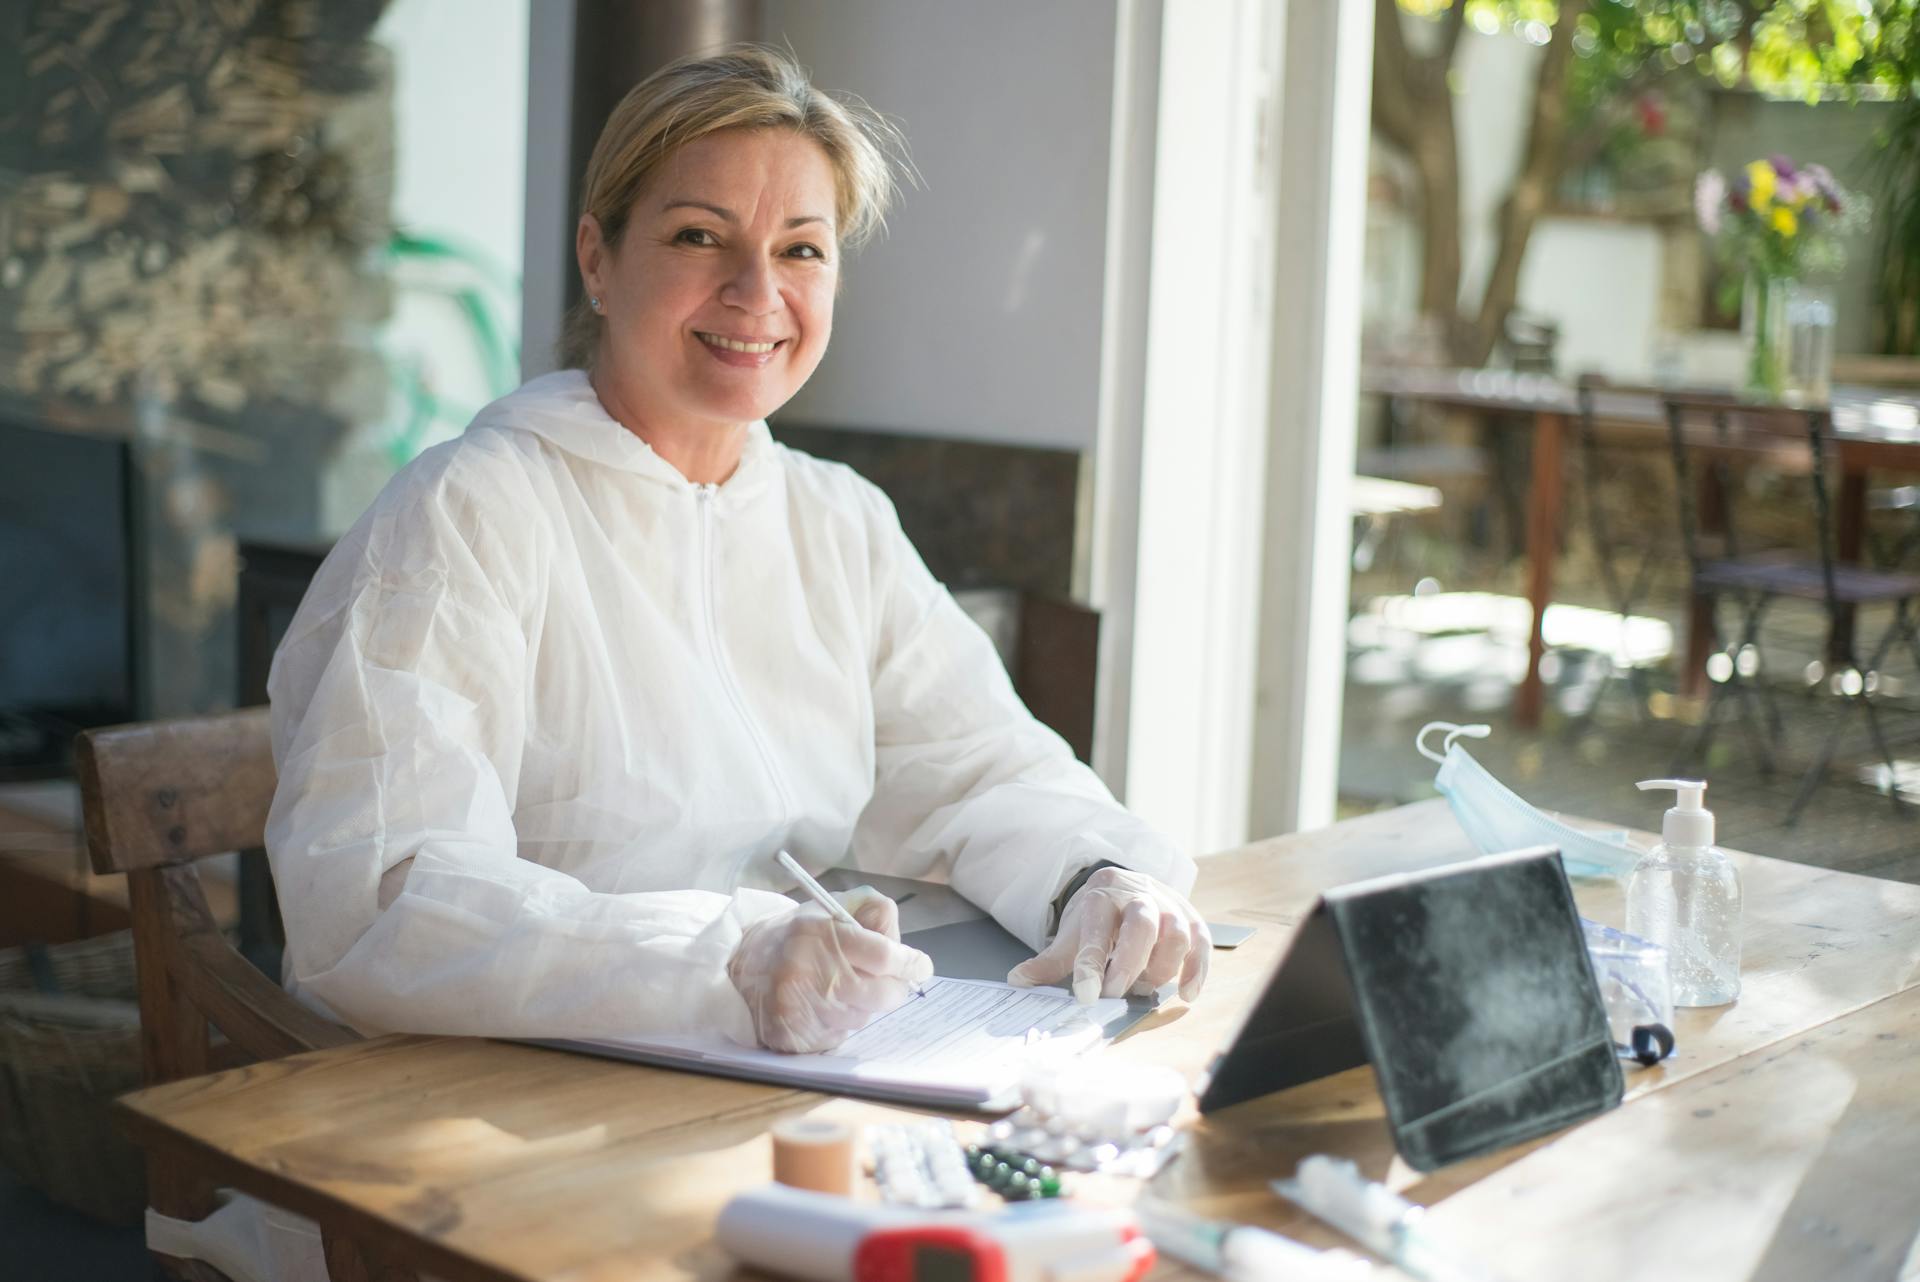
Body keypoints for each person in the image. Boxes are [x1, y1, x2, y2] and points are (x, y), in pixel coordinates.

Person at [266, 45, 1210, 1056]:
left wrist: (1098, 877)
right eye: (697, 235)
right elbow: (388, 895)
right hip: (506, 1109)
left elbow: (979, 767)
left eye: (802, 249)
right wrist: (724, 962)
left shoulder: (837, 522)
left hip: (787, 1078)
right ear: (598, 258)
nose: (756, 291)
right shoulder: (468, 511)